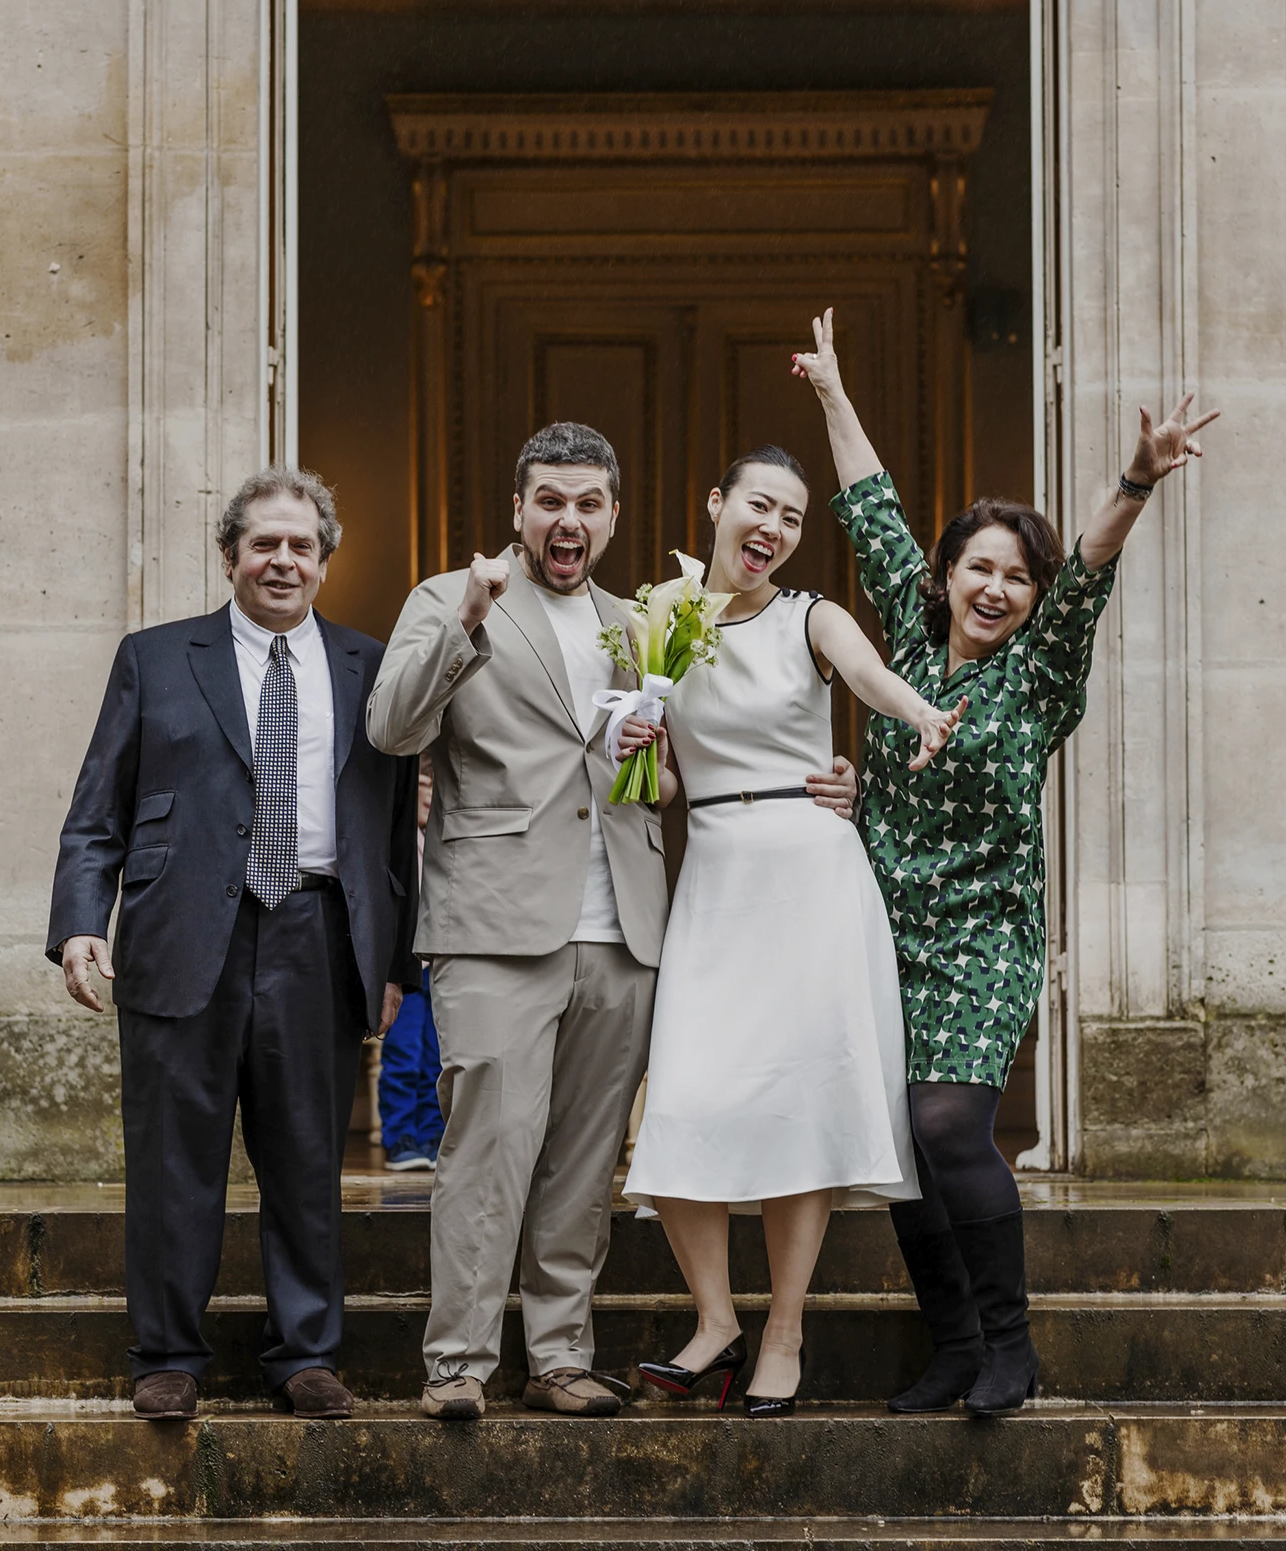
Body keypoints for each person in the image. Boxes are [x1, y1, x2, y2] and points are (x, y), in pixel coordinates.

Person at [366, 421, 863, 1421]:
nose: (568, 519)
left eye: (588, 503)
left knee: (587, 1159)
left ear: (611, 518)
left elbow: (670, 776)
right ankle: (458, 1361)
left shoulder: (633, 622)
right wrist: (467, 615)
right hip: (495, 924)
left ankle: (558, 1355)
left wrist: (818, 781)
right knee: (489, 1147)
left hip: (627, 928)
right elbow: (393, 727)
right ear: (518, 510)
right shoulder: (449, 598)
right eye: (550, 499)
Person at [796, 306, 1219, 1416]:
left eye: (1014, 579)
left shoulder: (1039, 674)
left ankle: (1010, 1347)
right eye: (977, 568)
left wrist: (1134, 479)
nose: (995, 588)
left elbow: (1087, 566)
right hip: (880, 921)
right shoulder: (902, 629)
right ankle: (951, 1348)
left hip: (984, 929)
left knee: (946, 1124)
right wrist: (834, 391)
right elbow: (872, 508)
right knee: (897, 1138)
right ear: (944, 575)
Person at [47, 466, 419, 1421]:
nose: (282, 561)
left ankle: (304, 1355)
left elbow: (392, 840)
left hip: (318, 935)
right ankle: (166, 1354)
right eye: (264, 544)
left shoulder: (373, 671)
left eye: (302, 546)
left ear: (326, 562)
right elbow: (97, 814)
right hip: (179, 940)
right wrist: (83, 925)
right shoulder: (156, 658)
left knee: (307, 1163)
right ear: (230, 557)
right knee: (174, 1163)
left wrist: (394, 964)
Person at [621, 445, 966, 1415]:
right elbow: (671, 784)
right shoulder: (663, 626)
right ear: (716, 503)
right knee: (682, 1097)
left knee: (795, 1110)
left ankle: (783, 1328)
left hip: (810, 874)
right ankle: (715, 1321)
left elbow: (870, 678)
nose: (770, 529)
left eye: (791, 517)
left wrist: (920, 715)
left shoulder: (812, 617)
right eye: (757, 506)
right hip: (715, 874)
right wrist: (640, 757)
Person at [378, 756, 444, 1173]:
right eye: (421, 784)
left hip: (440, 968)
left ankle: (433, 1133)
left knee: (437, 1057)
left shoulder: (442, 844)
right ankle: (400, 1135)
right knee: (404, 1054)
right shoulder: (402, 846)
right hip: (410, 968)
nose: (429, 795)